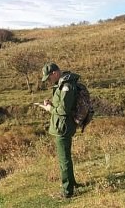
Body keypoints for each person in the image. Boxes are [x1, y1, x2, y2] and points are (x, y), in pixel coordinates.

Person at [41, 62, 81, 198]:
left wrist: (49, 109)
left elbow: (64, 110)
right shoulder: (63, 84)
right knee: (66, 158)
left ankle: (67, 191)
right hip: (63, 125)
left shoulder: (66, 86)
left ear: (55, 73)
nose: (48, 81)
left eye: (48, 78)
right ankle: (72, 183)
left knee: (64, 160)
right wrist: (51, 103)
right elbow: (62, 105)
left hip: (62, 127)